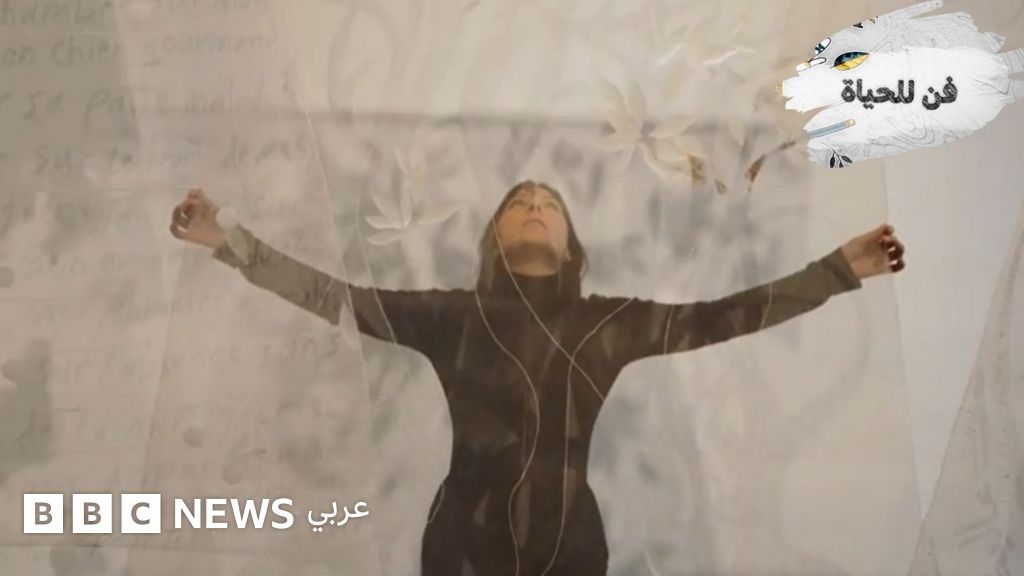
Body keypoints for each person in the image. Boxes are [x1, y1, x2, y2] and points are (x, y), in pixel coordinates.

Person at [169, 181, 905, 576]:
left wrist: (838, 270)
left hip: (572, 545)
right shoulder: (453, 317)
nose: (534, 207)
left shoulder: (608, 322)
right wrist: (229, 241)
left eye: (549, 204)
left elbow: (724, 317)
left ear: (570, 243)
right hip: (460, 543)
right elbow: (334, 298)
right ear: (495, 236)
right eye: (519, 203)